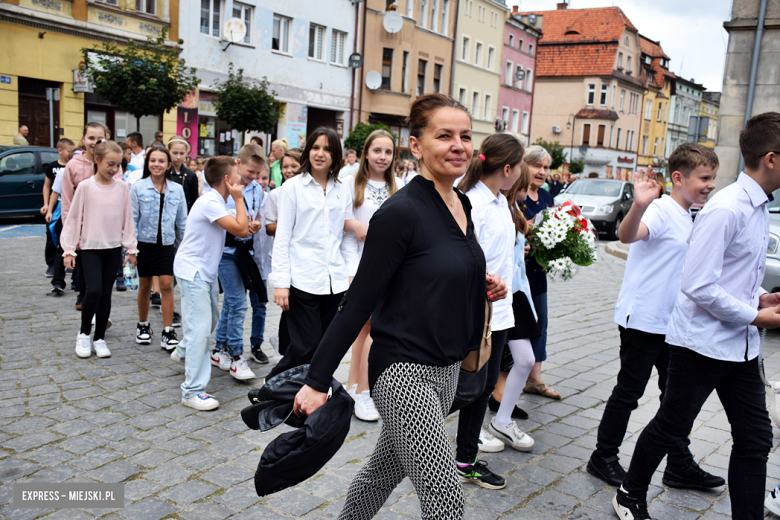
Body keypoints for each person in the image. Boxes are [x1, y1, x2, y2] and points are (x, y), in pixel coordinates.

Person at [293, 93, 507, 520]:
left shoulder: (461, 203)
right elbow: (359, 303)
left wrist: (486, 285)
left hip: (446, 370)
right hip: (403, 373)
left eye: (465, 136)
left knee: (381, 472)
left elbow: (443, 266)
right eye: (444, 135)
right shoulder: (400, 212)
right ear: (416, 146)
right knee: (445, 496)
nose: (458, 145)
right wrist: (316, 380)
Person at [614, 112, 780, 520]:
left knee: (756, 440)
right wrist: (757, 318)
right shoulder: (727, 208)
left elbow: (733, 277)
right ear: (772, 159)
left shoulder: (757, 208)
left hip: (739, 346)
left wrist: (760, 299)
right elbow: (699, 285)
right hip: (702, 343)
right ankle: (630, 494)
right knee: (672, 425)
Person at [588, 145, 724, 492]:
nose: (710, 185)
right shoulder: (661, 209)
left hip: (671, 322)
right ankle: (602, 457)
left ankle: (678, 463)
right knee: (629, 392)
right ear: (678, 178)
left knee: (674, 395)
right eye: (704, 178)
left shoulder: (690, 213)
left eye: (713, 178)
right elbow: (627, 236)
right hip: (643, 320)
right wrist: (639, 204)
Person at [449, 133, 526, 487]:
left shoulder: (500, 202)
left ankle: (466, 459)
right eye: (520, 165)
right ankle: (414, 426)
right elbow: (462, 257)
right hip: (479, 311)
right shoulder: (471, 203)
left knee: (482, 389)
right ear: (507, 168)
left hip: (501, 311)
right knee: (468, 387)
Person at [267, 127, 359, 378]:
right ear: (308, 151)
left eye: (327, 149)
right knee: (305, 345)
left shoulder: (342, 189)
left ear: (335, 155)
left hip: (335, 281)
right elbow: (283, 237)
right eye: (316, 147)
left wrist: (351, 274)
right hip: (302, 280)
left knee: (325, 347)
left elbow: (346, 236)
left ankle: (312, 399)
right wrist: (281, 283)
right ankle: (271, 389)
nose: (320, 153)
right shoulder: (293, 187)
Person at [171, 156, 249, 410]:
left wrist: (245, 220)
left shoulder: (216, 202)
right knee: (201, 330)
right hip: (193, 271)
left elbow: (240, 226)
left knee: (209, 321)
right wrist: (239, 200)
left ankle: (183, 351)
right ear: (227, 179)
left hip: (203, 272)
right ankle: (192, 391)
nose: (240, 180)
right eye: (237, 175)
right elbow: (240, 229)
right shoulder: (210, 202)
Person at [341, 130, 402, 422]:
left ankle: (356, 388)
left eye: (388, 152)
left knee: (370, 330)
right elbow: (334, 220)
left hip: (390, 268)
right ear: (366, 152)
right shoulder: (350, 182)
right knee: (365, 329)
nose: (382, 157)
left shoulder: (399, 186)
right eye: (377, 150)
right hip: (359, 266)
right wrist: (353, 225)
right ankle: (362, 391)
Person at [61, 140, 138, 359]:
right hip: (90, 248)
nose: (114, 169)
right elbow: (74, 218)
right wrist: (68, 250)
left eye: (118, 165)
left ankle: (100, 337)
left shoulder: (122, 187)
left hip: (113, 248)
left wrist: (131, 248)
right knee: (92, 290)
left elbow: (128, 219)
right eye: (110, 164)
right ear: (97, 160)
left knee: (106, 294)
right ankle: (84, 333)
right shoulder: (86, 187)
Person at [487, 162, 541, 451]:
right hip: (496, 292)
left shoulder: (514, 211)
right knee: (480, 368)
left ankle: (502, 419)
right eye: (525, 184)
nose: (528, 189)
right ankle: (469, 428)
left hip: (516, 293)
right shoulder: (493, 205)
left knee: (525, 360)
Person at [210, 144, 266, 381]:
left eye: (258, 174)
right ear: (238, 164)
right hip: (224, 251)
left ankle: (219, 348)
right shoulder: (223, 186)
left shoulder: (257, 190)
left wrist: (255, 225)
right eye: (250, 172)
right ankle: (236, 356)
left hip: (245, 251)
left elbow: (256, 216)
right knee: (238, 303)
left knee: (233, 303)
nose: (254, 178)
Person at [131, 145, 188, 350]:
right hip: (144, 245)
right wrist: (131, 249)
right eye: (153, 160)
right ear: (148, 163)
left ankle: (168, 330)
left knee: (166, 284)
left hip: (167, 245)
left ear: (169, 165)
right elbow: (132, 220)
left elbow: (183, 222)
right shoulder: (137, 188)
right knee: (145, 285)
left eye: (161, 161)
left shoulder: (177, 189)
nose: (157, 164)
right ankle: (143, 325)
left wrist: (184, 249)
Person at [521, 145, 560, 399]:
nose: (542, 171)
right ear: (524, 165)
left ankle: (534, 379)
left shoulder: (545, 197)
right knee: (518, 326)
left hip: (538, 270)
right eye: (537, 165)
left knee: (541, 323)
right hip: (519, 272)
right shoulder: (517, 195)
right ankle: (509, 376)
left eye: (546, 167)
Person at [61, 122, 109, 311]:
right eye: (91, 138)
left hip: (105, 227)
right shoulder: (73, 166)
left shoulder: (110, 163)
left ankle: (99, 303)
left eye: (100, 139)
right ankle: (84, 296)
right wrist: (70, 234)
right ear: (83, 139)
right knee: (83, 267)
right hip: (82, 227)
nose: (94, 142)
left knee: (103, 270)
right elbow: (67, 202)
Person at [265, 149, 302, 357]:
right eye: (285, 167)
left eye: (293, 166)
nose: (288, 171)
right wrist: (288, 225)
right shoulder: (276, 194)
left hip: (302, 257)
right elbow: (269, 227)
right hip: (284, 256)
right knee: (289, 304)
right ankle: (284, 345)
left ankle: (285, 340)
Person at [249, 164, 272, 365]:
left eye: (264, 178)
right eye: (257, 177)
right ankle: (228, 344)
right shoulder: (243, 197)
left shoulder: (271, 199)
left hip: (262, 265)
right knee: (235, 306)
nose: (260, 182)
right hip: (243, 260)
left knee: (260, 306)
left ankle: (256, 344)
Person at [42, 138, 75, 278]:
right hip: (58, 205)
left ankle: (70, 264)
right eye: (69, 151)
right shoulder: (53, 167)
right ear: (60, 151)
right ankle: (51, 264)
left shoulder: (73, 168)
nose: (70, 154)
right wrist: (46, 205)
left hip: (71, 205)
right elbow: (48, 187)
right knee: (52, 234)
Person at [167, 136, 200, 213]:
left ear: (186, 152)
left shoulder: (191, 175)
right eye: (175, 153)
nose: (178, 157)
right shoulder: (164, 173)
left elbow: (194, 199)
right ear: (169, 151)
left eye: (181, 153)